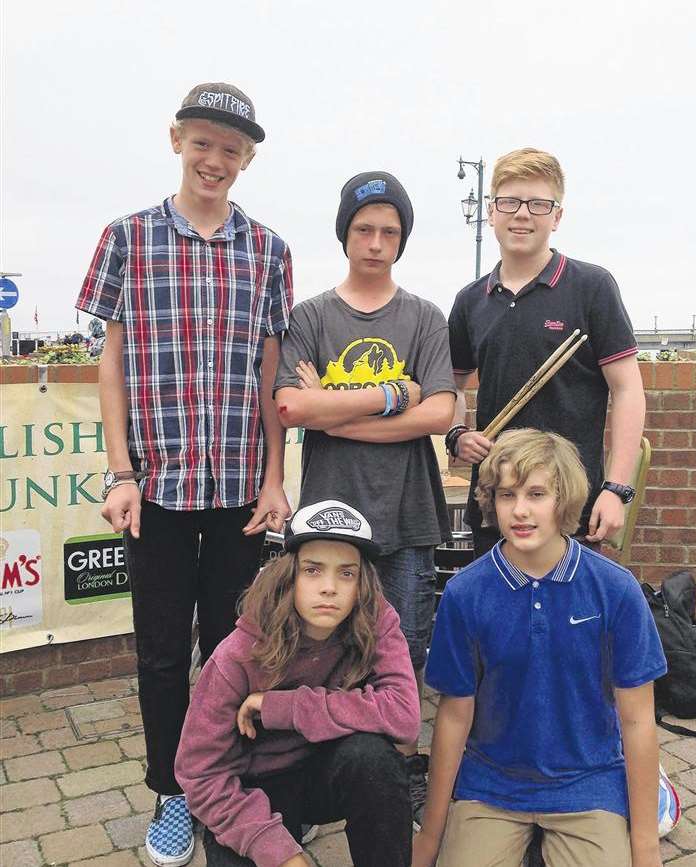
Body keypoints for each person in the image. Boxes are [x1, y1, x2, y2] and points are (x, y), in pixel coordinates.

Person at [75, 82, 293, 866]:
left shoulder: (269, 250)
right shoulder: (127, 237)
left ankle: (223, 777)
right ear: (176, 140)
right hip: (158, 493)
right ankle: (171, 790)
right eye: (203, 142)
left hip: (239, 493)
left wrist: (275, 478)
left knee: (236, 648)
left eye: (231, 149)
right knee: (162, 652)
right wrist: (119, 471)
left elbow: (273, 376)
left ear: (247, 159)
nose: (215, 159)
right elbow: (113, 368)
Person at [274, 171, 456, 824]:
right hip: (330, 514)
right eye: (363, 229)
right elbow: (291, 404)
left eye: (389, 231)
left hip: (406, 516)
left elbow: (439, 411)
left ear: (401, 239)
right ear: (344, 234)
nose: (375, 242)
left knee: (400, 652)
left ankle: (395, 770)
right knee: (321, 647)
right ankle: (317, 768)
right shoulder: (312, 316)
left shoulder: (424, 317)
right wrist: (390, 393)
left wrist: (334, 409)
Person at [412, 428, 666, 867]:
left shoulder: (615, 590)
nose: (521, 510)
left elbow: (638, 720)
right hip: (492, 783)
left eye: (537, 494)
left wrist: (645, 849)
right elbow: (454, 716)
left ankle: (650, 796)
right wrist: (431, 837)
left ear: (563, 499)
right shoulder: (465, 593)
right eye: (507, 495)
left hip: (587, 780)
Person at [174, 499, 420, 867]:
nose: (330, 588)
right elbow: (201, 773)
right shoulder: (237, 654)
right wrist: (281, 853)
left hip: (322, 770)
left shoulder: (375, 619)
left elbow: (404, 716)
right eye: (313, 570)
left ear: (362, 583)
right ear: (289, 575)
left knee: (374, 760)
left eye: (347, 573)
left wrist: (280, 707)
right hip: (251, 789)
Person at [446, 148, 646, 558]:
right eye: (510, 202)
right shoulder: (470, 301)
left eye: (539, 204)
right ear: (491, 211)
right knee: (496, 619)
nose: (522, 214)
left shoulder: (591, 287)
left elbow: (627, 390)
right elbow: (449, 386)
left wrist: (617, 489)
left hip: (572, 503)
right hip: (495, 502)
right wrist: (457, 435)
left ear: (556, 216)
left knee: (575, 621)